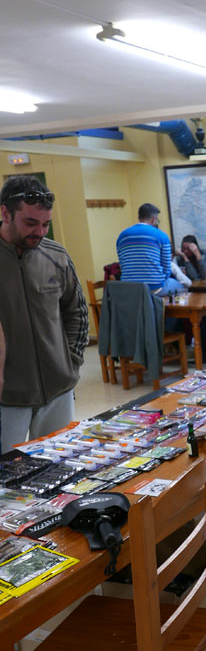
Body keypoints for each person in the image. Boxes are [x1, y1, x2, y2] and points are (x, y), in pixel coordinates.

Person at [0, 175, 89, 452]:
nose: (39, 232)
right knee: (8, 473)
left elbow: (77, 311)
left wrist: (70, 363)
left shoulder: (56, 256)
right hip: (8, 397)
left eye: (46, 224)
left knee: (57, 464)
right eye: (30, 223)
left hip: (58, 389)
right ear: (5, 213)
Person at [116, 203, 184, 296]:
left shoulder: (122, 236)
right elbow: (166, 269)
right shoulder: (162, 236)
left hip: (129, 288)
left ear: (139, 217)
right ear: (153, 220)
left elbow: (122, 264)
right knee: (181, 286)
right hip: (155, 288)